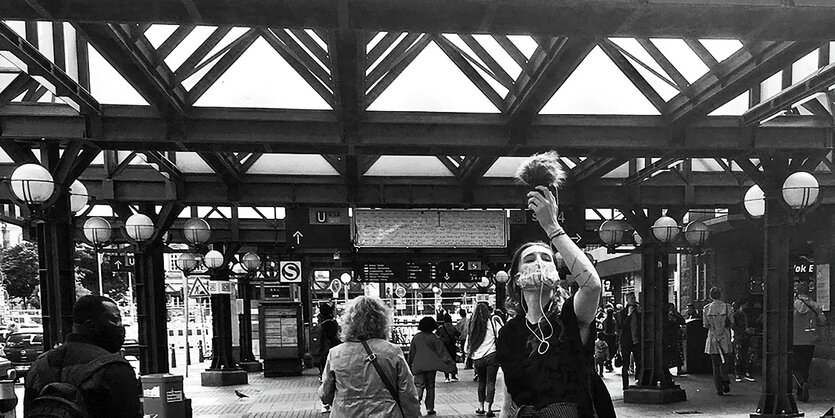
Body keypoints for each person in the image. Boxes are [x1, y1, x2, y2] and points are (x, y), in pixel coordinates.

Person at [496, 185, 613, 418]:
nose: (539, 262)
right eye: (530, 259)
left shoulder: (570, 316)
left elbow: (592, 285)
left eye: (547, 258)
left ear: (556, 275)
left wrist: (553, 228)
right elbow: (509, 396)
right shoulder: (510, 333)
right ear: (517, 278)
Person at [24, 295, 141, 418]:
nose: (121, 326)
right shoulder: (114, 368)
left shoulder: (39, 366)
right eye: (115, 320)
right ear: (90, 325)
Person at [318, 296, 421, 417]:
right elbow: (408, 393)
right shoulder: (392, 351)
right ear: (382, 321)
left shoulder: (336, 354)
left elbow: (325, 395)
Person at [409, 316, 456, 415]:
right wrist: (451, 365)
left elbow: (411, 353)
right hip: (431, 366)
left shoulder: (416, 337)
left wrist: (409, 364)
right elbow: (442, 353)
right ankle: (430, 408)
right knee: (430, 387)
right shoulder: (434, 338)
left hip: (418, 366)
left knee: (419, 386)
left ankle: (416, 406)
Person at [792, 277, 827, 402]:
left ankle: (801, 384)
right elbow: (823, 321)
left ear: (797, 291)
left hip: (796, 340)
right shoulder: (815, 305)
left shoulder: (794, 305)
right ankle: (802, 391)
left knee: (794, 366)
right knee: (805, 366)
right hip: (811, 340)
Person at [466, 303, 502, 416]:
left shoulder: (473, 325)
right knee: (491, 382)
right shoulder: (492, 322)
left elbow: (468, 343)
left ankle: (481, 407)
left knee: (481, 382)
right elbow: (500, 335)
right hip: (491, 355)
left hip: (478, 358)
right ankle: (489, 409)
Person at [703, 287, 734, 396]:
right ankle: (725, 379)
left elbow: (706, 325)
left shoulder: (706, 309)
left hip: (713, 337)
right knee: (724, 362)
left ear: (710, 296)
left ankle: (719, 388)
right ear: (720, 295)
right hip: (724, 337)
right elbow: (732, 322)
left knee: (715, 364)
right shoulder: (727, 307)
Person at [617, 295, 641, 389]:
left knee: (638, 363)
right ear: (627, 300)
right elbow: (622, 326)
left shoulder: (637, 312)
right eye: (632, 299)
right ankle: (625, 385)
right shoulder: (622, 313)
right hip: (626, 341)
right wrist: (628, 315)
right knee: (625, 364)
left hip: (636, 341)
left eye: (634, 298)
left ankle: (638, 381)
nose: (634, 300)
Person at [731, 299, 755, 382]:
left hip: (743, 336)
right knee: (739, 355)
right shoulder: (737, 315)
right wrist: (745, 330)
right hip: (740, 337)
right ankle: (740, 372)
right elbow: (734, 327)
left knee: (744, 354)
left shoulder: (742, 314)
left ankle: (741, 373)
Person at [435, 313, 460, 382]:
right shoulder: (453, 327)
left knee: (445, 360)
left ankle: (446, 377)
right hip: (452, 345)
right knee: (453, 360)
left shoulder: (441, 328)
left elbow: (436, 334)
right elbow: (458, 333)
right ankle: (453, 376)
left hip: (444, 346)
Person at [663, 302, 686, 376]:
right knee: (669, 355)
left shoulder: (675, 316)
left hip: (674, 337)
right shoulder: (665, 317)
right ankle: (668, 370)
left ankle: (679, 369)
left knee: (677, 353)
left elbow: (682, 321)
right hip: (668, 337)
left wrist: (676, 314)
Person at [601, 307, 618, 372]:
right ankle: (609, 362)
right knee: (612, 351)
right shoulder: (614, 321)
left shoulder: (605, 321)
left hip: (606, 337)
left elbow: (603, 329)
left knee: (606, 350)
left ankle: (608, 362)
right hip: (613, 337)